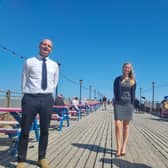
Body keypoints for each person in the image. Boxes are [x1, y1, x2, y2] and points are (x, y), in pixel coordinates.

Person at [17, 39, 59, 168]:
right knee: (25, 130)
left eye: (49, 46)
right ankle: (21, 160)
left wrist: (48, 93)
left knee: (45, 130)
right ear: (39, 46)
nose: (46, 47)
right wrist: (27, 93)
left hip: (47, 99)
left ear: (51, 49)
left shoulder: (54, 65)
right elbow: (24, 79)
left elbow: (54, 82)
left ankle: (42, 158)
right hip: (30, 98)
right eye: (44, 44)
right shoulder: (29, 61)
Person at [113, 62, 136, 157]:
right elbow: (115, 91)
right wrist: (115, 101)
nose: (127, 69)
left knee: (126, 126)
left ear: (130, 69)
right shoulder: (117, 79)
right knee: (118, 125)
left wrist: (133, 105)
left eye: (129, 68)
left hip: (128, 104)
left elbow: (133, 94)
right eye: (125, 67)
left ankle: (124, 147)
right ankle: (118, 146)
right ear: (122, 68)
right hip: (118, 104)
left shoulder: (133, 81)